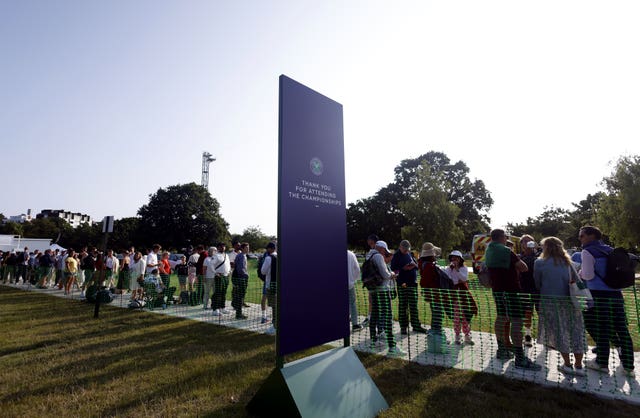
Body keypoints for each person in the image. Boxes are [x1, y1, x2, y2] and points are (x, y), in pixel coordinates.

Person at [579, 226, 635, 376]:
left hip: (598, 295)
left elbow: (589, 276)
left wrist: (580, 272)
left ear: (591, 236)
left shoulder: (587, 251)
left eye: (582, 236)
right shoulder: (610, 249)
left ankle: (602, 363)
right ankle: (629, 366)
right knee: (622, 328)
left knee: (602, 328)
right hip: (616, 294)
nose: (580, 239)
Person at [485, 228, 541, 370]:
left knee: (501, 318)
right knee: (517, 321)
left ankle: (502, 350)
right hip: (511, 291)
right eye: (506, 237)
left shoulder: (488, 250)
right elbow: (524, 268)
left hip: (497, 291)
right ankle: (520, 358)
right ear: (502, 237)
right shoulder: (506, 251)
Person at [534, 237, 586, 376]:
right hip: (573, 301)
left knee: (560, 332)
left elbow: (537, 283)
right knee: (576, 330)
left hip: (550, 301)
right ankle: (579, 365)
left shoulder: (539, 263)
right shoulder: (570, 263)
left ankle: (567, 364)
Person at [367, 240, 406, 358]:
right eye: (385, 251)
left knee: (374, 315)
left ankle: (373, 341)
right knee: (388, 316)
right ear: (382, 249)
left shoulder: (369, 255)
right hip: (382, 291)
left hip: (373, 290)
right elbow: (385, 274)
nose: (385, 254)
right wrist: (392, 275)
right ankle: (392, 347)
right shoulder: (378, 256)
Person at [390, 240, 427, 335]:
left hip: (413, 283)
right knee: (403, 306)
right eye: (405, 249)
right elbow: (393, 269)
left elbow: (416, 265)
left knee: (413, 305)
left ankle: (416, 326)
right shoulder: (396, 256)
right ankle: (403, 327)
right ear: (400, 247)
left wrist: (414, 266)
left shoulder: (410, 254)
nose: (406, 251)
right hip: (402, 284)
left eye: (407, 249)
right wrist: (403, 269)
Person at [445, 250, 477, 345]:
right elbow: (449, 279)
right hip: (454, 295)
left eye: (456, 258)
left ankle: (467, 336)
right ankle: (457, 336)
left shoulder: (464, 268)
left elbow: (464, 279)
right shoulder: (449, 269)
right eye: (452, 258)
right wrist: (452, 271)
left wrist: (457, 271)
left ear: (460, 259)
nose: (454, 260)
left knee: (466, 316)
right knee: (456, 317)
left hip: (464, 295)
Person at [418, 242, 445, 336]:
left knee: (436, 313)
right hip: (434, 294)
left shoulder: (425, 263)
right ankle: (436, 334)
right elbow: (425, 281)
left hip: (432, 293)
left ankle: (435, 332)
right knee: (438, 313)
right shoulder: (428, 266)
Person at [519, 235, 539, 347]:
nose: (527, 243)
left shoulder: (540, 256)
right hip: (525, 290)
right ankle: (527, 336)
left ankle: (546, 338)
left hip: (538, 290)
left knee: (542, 313)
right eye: (524, 241)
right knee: (527, 314)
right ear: (521, 244)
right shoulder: (518, 257)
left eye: (529, 241)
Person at [261, 242, 278, 335]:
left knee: (274, 306)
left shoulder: (269, 258)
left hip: (270, 285)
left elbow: (263, 271)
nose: (267, 250)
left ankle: (275, 326)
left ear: (271, 249)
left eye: (268, 248)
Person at [211, 242, 231, 316]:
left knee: (224, 292)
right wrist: (215, 273)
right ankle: (215, 309)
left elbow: (228, 264)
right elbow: (211, 265)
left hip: (226, 276)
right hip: (219, 276)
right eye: (221, 246)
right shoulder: (216, 255)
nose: (223, 248)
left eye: (224, 246)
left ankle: (222, 307)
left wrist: (229, 271)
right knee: (218, 292)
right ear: (218, 247)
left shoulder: (227, 255)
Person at [231, 243, 250, 319]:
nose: (248, 249)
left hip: (240, 278)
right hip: (240, 278)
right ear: (242, 248)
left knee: (239, 296)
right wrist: (246, 275)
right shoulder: (241, 256)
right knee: (240, 296)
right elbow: (240, 269)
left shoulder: (243, 255)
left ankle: (237, 310)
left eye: (248, 247)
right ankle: (238, 314)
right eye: (246, 248)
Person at [347, 249, 363, 331]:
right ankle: (355, 324)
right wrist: (353, 280)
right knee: (352, 303)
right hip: (349, 284)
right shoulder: (351, 254)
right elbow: (357, 269)